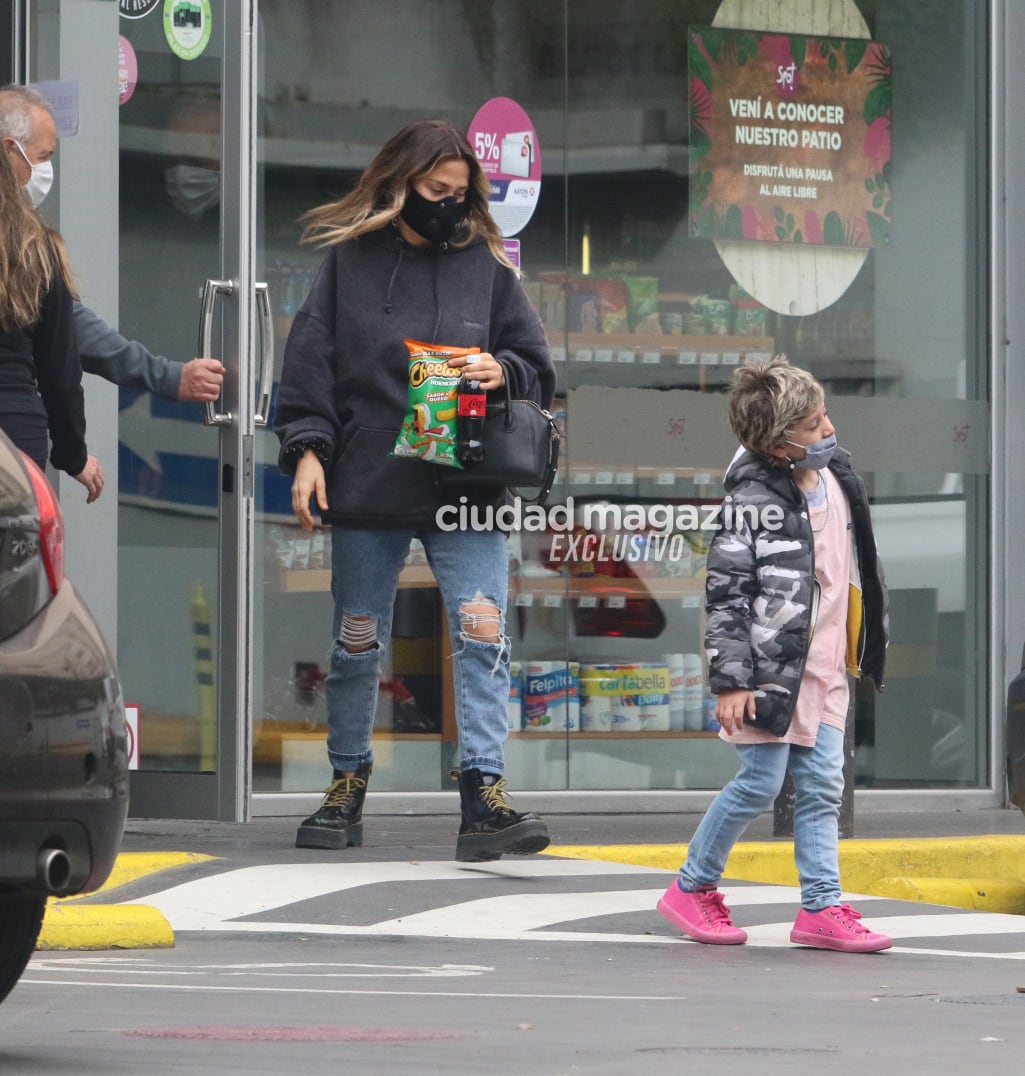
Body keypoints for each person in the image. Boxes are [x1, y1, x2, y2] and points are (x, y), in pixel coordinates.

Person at [274, 118, 554, 861]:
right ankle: (345, 786)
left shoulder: (487, 268)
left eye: (461, 194)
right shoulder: (349, 263)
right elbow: (309, 367)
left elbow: (534, 362)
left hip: (465, 478)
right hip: (368, 478)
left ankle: (484, 796)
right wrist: (306, 451)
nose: (451, 206)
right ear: (400, 183)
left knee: (481, 630)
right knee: (356, 642)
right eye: (437, 192)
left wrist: (504, 371)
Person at [656, 356, 891, 952]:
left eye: (823, 416)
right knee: (761, 784)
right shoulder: (751, 499)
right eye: (812, 426)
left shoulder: (838, 474)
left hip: (828, 665)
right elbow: (727, 595)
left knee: (820, 789)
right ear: (777, 443)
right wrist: (732, 681)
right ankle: (692, 886)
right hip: (770, 671)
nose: (827, 429)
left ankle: (821, 907)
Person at [0, 83, 225, 404]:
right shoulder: (24, 247)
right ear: (10, 151)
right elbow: (69, 330)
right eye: (42, 157)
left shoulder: (20, 238)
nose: (46, 171)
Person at [0, 127, 102, 501]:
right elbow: (59, 372)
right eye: (44, 156)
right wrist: (73, 455)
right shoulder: (35, 250)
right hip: (13, 437)